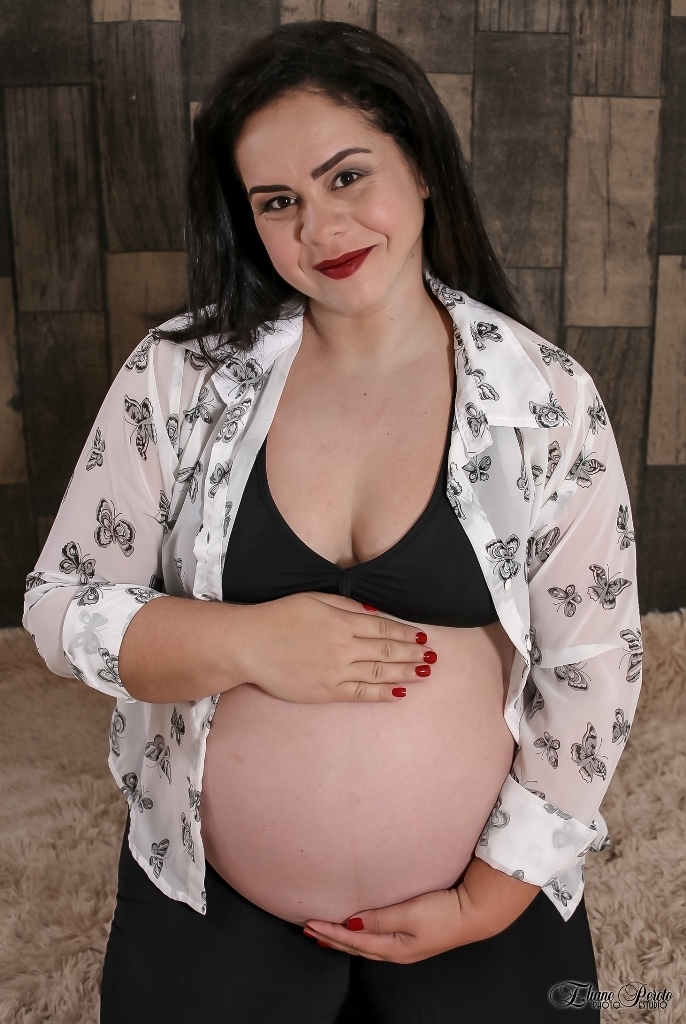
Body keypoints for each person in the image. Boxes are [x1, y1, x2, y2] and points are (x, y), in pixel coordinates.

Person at [23, 20, 642, 1024]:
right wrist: (248, 642)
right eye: (279, 201)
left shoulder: (545, 399)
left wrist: (488, 899)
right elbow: (59, 606)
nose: (321, 229)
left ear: (422, 167)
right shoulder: (178, 376)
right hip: (215, 883)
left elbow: (594, 666)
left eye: (347, 177)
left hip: (476, 890)